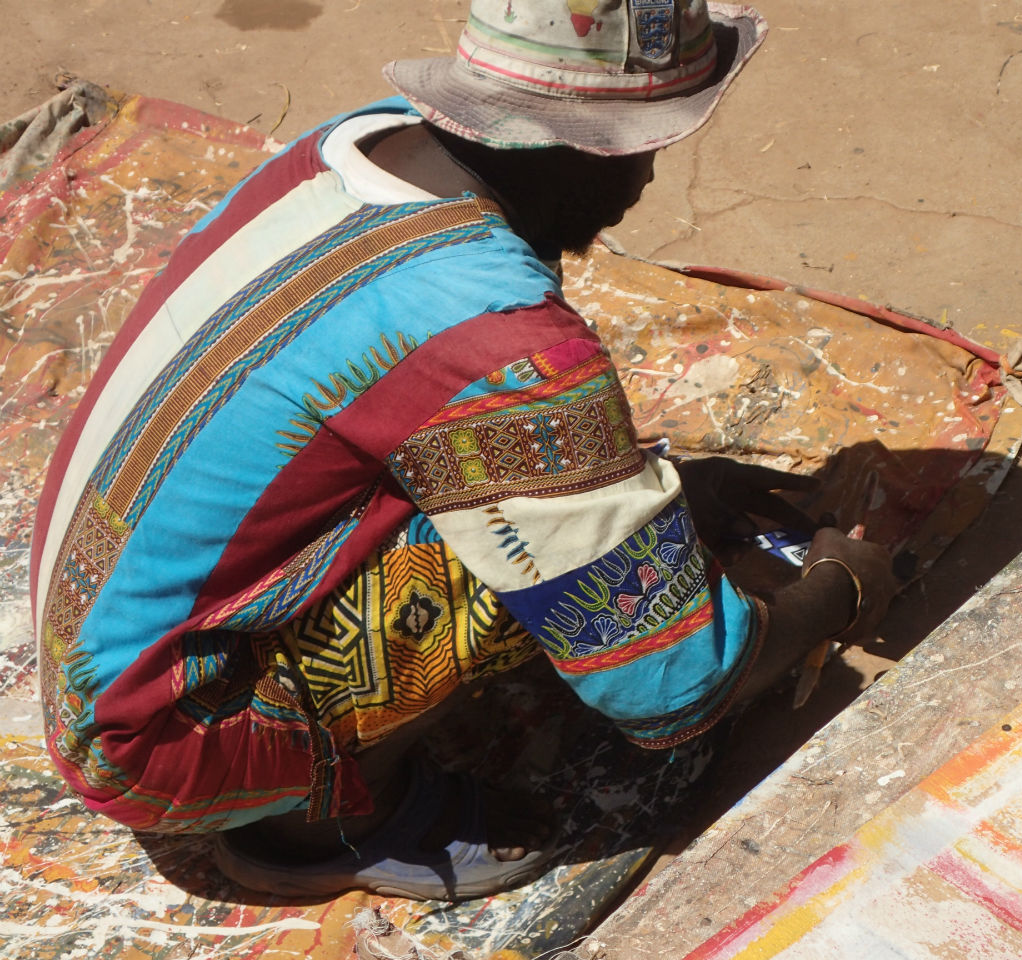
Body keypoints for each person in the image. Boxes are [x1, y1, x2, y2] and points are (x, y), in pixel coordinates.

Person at [30, 0, 894, 902]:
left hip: (104, 638)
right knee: (575, 569)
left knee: (553, 482)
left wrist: (661, 495)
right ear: (577, 144)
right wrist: (838, 593)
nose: (645, 176)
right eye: (638, 146)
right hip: (158, 735)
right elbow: (675, 687)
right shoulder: (497, 338)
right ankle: (321, 826)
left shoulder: (351, 147)